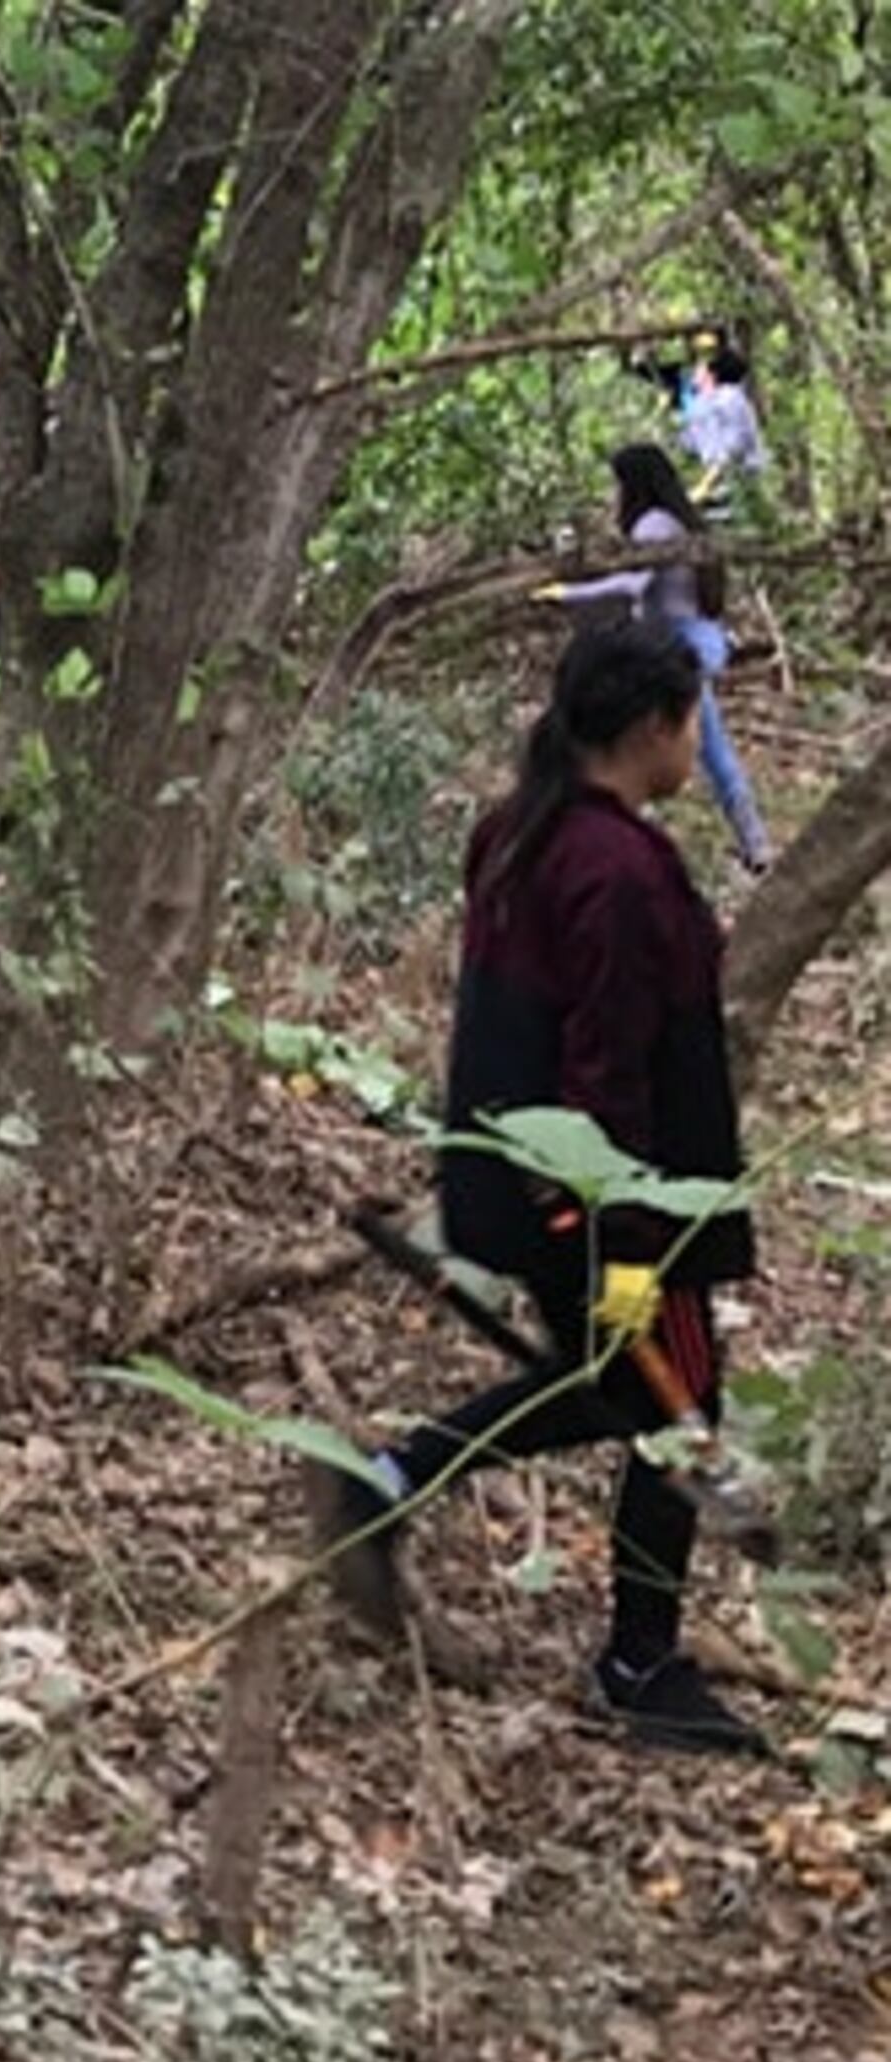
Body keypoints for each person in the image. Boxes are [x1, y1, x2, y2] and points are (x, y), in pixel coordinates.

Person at [318, 622, 763, 1755]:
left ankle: (388, 1479)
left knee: (616, 1391)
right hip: (610, 1209)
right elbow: (607, 1067)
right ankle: (639, 1661)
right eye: (694, 719)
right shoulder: (619, 870)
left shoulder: (524, 829)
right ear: (656, 726)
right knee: (676, 1411)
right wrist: (623, 1240)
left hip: (526, 1188)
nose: (699, 740)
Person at [540, 443, 773, 873]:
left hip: (682, 644)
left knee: (697, 746)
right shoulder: (675, 519)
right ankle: (750, 842)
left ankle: (754, 845)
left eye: (617, 484)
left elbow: (632, 586)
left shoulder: (653, 525)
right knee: (697, 744)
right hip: (698, 637)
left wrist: (566, 594)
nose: (613, 495)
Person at [680, 343, 772, 500]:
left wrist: (712, 476)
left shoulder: (729, 398)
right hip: (718, 475)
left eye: (700, 368)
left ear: (711, 374)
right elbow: (696, 439)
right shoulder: (705, 401)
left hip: (737, 476)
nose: (694, 373)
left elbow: (736, 442)